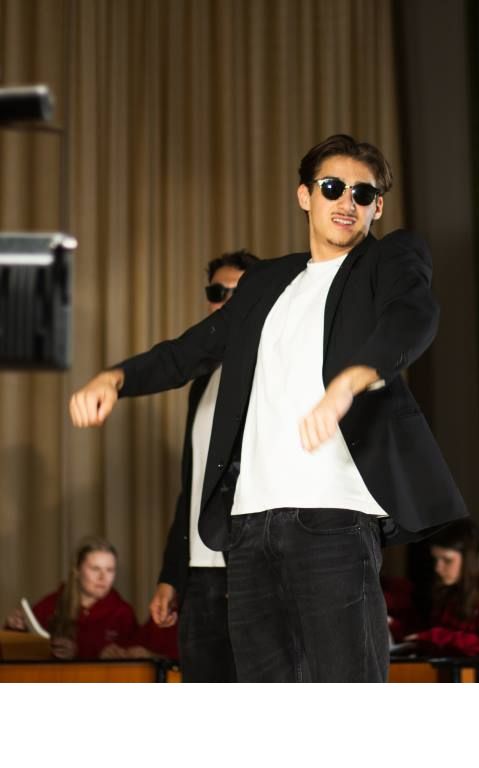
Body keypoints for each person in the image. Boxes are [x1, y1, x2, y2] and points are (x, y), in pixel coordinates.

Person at [68, 134, 467, 682]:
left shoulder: (388, 259)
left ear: (377, 206)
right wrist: (117, 378)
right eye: (333, 187)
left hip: (332, 517)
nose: (347, 202)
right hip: (250, 526)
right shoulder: (266, 282)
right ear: (305, 195)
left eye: (363, 193)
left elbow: (412, 315)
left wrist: (354, 378)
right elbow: (192, 349)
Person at [148, 250, 257, 682]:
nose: (225, 302)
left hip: (252, 572)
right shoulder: (202, 380)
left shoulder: (273, 372)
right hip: (200, 578)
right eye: (217, 292)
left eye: (238, 293)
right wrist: (171, 576)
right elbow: (192, 488)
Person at [404, 520, 479, 682]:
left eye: (447, 560)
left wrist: (437, 636)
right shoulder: (449, 590)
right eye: (436, 559)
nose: (438, 568)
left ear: (469, 560)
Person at [4, 536, 137, 659]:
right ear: (77, 570)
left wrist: (82, 653)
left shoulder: (123, 613)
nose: (103, 577)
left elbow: (134, 662)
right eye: (95, 569)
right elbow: (20, 651)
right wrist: (14, 628)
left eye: (110, 570)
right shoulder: (52, 604)